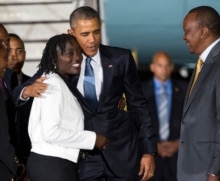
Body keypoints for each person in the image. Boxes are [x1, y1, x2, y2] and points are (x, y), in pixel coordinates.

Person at [12, 6, 157, 181]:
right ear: (71, 33)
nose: (92, 40)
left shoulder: (121, 59)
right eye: (85, 34)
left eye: (96, 32)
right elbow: (20, 90)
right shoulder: (62, 63)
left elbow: (139, 106)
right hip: (83, 159)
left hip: (122, 153)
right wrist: (25, 92)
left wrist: (148, 151)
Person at [177, 6, 220, 181]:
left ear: (204, 31)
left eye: (187, 31)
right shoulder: (204, 62)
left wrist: (215, 171)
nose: (184, 37)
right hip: (193, 168)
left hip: (209, 172)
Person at [26, 33, 108, 181]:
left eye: (78, 52)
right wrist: (92, 139)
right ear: (54, 59)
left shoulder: (58, 82)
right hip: (53, 165)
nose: (77, 58)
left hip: (54, 163)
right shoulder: (54, 84)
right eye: (70, 53)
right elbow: (51, 132)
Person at [141, 51, 188, 181]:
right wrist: (153, 146)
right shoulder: (140, 91)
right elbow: (135, 123)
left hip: (179, 156)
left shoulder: (185, 89)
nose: (164, 69)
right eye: (160, 65)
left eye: (167, 65)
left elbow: (193, 121)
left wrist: (179, 143)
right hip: (150, 156)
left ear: (172, 67)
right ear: (152, 67)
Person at [0, 24, 24, 181]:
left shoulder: (9, 76)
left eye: (6, 41)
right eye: (1, 42)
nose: (6, 47)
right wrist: (18, 168)